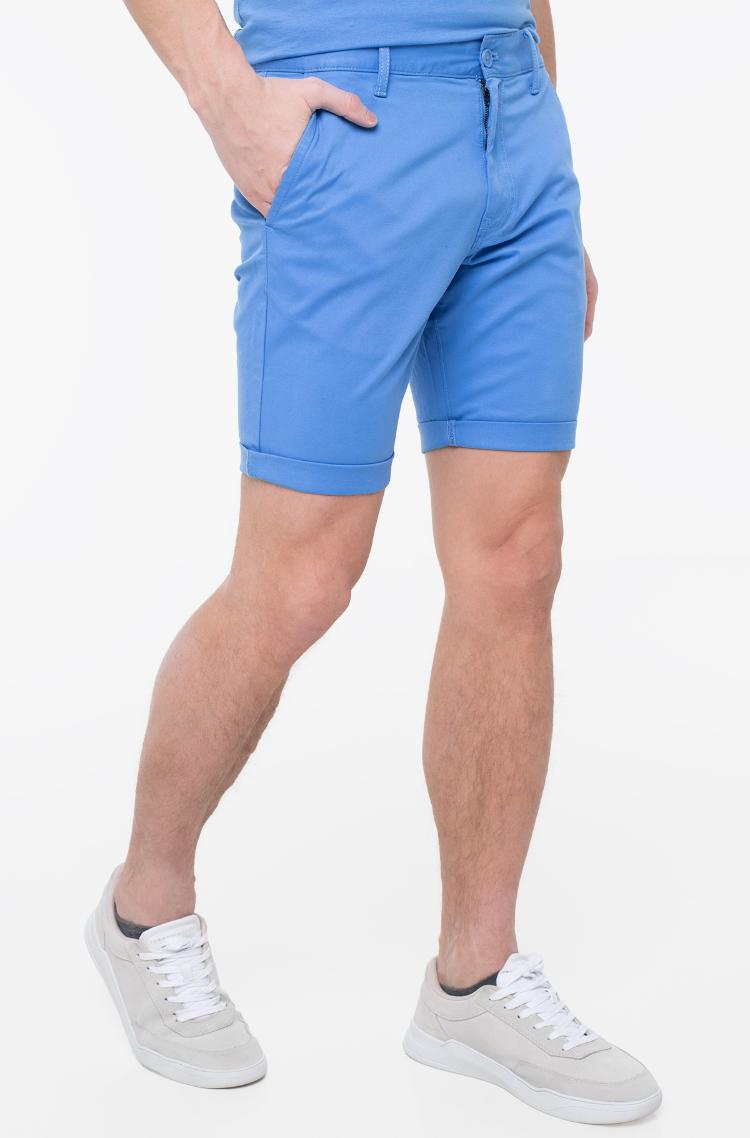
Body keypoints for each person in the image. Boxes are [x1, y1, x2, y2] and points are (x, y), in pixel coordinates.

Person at [86, 0, 661, 1122]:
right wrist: (226, 98)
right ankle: (142, 909)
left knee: (517, 559)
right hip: (345, 117)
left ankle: (473, 980)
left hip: (516, 126)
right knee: (300, 576)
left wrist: (542, 145)